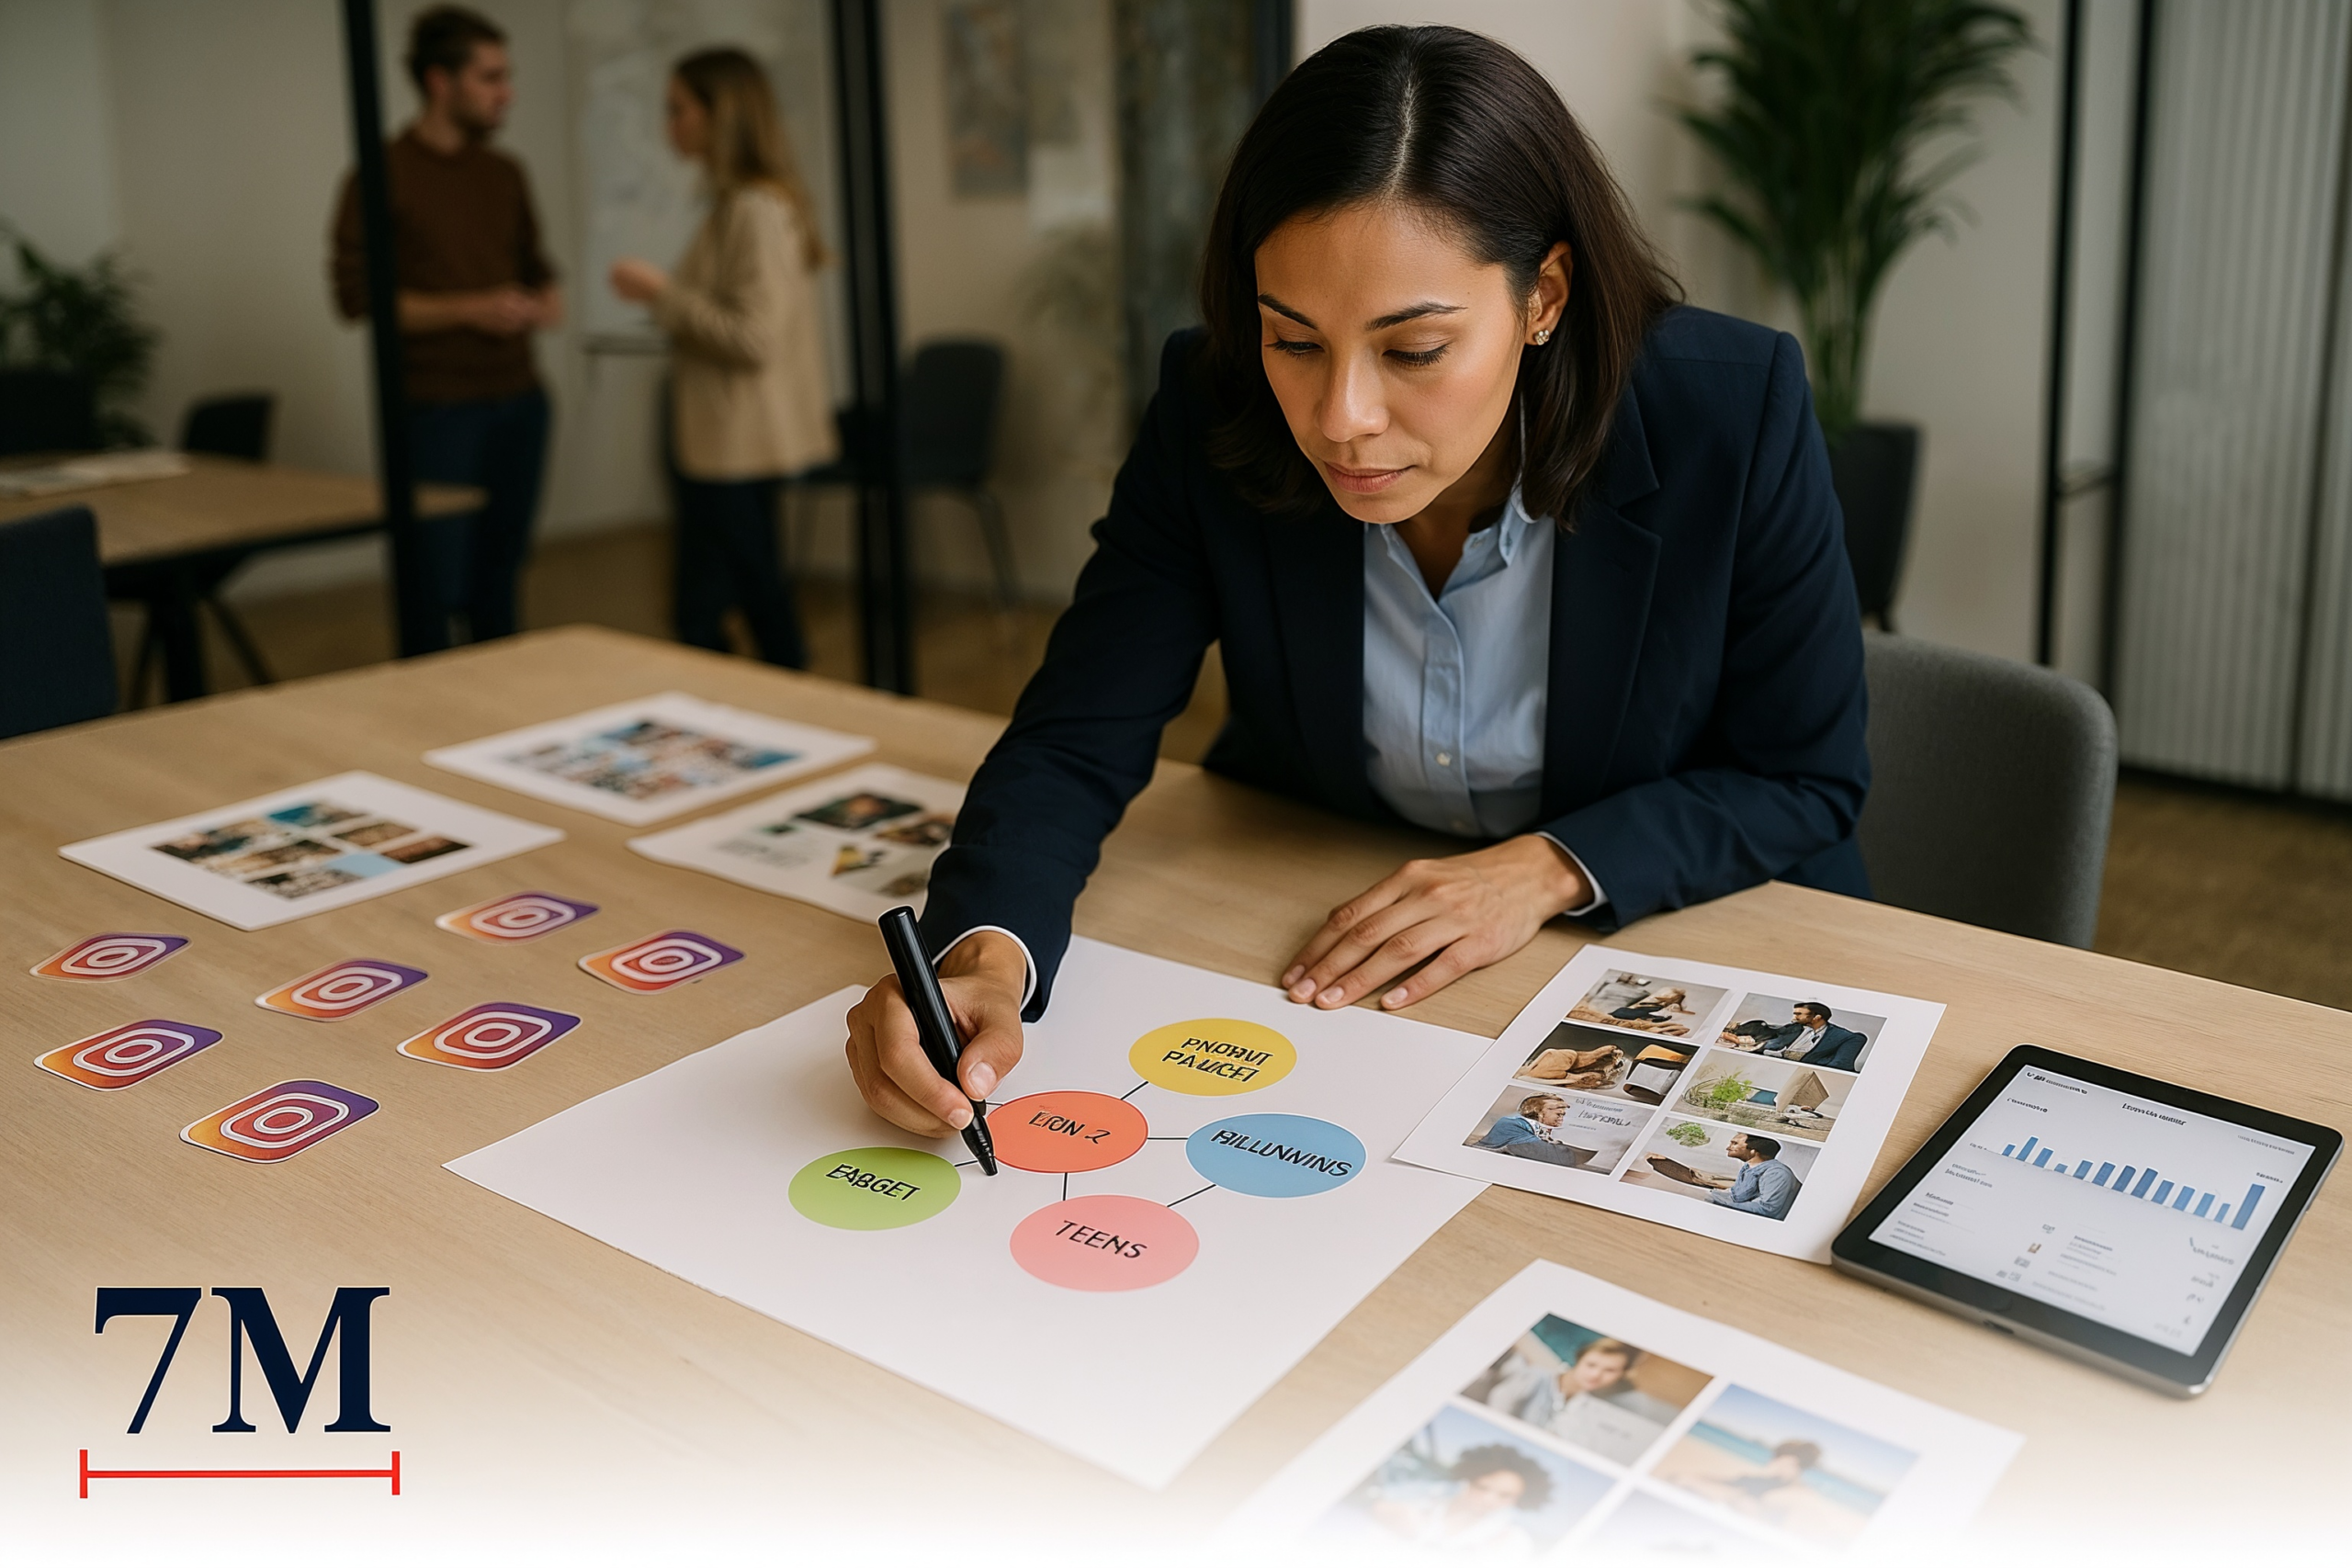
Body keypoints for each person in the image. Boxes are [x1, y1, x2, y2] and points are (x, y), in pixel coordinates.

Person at [843, 26, 1869, 1140]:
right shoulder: (1214, 401)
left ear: (1544, 295)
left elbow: (1801, 779)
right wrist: (983, 953)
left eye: (1413, 350)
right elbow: (1076, 733)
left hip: (1672, 950)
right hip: (1312, 938)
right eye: (1292, 340)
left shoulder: (1729, 411)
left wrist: (1542, 871)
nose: (1341, 420)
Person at [331, 5, 560, 645]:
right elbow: (358, 300)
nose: (506, 93)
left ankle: (502, 700)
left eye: (506, 77)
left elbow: (540, 272)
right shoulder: (381, 174)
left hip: (520, 399)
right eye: (490, 77)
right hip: (437, 412)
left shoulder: (505, 173)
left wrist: (540, 303)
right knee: (434, 586)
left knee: (501, 579)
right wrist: (470, 309)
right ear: (440, 81)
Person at [611, 48, 836, 668]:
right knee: (712, 603)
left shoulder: (756, 211)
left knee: (744, 601)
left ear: (721, 115)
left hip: (736, 444)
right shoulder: (739, 206)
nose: (669, 125)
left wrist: (661, 293)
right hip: (720, 441)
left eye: (678, 109)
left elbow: (753, 338)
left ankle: (786, 702)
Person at [1485, 1337, 1680, 1464]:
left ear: (1621, 1375)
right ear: (1579, 1360)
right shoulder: (1533, 1378)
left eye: (1610, 1370)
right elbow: (1493, 1417)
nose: (1595, 1375)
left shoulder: (1589, 1406)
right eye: (1591, 1365)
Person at [1364, 1442, 1551, 1554]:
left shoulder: (1513, 1542)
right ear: (1467, 1481)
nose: (1488, 1499)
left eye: (1504, 1495)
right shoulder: (1415, 1504)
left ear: (1517, 1501)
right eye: (1482, 1487)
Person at [1702, 1132, 1802, 1219]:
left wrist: (1718, 1201)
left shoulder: (1776, 1174)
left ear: (1753, 1151)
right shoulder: (1748, 1168)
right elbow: (1736, 1195)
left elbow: (1767, 1209)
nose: (1728, 1148)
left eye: (1735, 1144)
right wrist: (1710, 1194)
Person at [1474, 1093, 1584, 1166]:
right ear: (1539, 1112)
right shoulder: (1510, 1124)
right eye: (1558, 1114)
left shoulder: (1537, 1129)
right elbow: (1558, 1156)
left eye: (1563, 1114)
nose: (1561, 1118)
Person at [1767, 1001, 1868, 1072]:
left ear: (1817, 1017)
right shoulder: (1793, 1028)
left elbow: (1839, 1066)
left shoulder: (1848, 1038)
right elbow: (1770, 1044)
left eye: (1799, 1014)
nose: (1795, 1018)